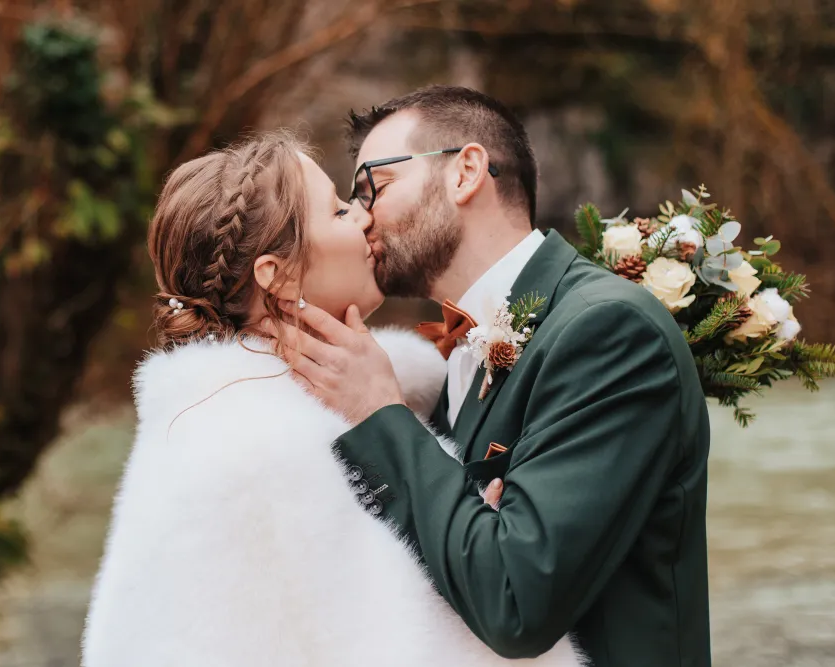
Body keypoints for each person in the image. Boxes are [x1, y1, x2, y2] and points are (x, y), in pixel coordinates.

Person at [81, 133, 585, 667]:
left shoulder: (320, 406)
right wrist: (475, 542)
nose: (365, 218)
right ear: (277, 275)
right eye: (339, 211)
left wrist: (465, 529)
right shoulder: (256, 444)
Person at [271, 86, 712, 666]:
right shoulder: (456, 353)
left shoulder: (609, 330)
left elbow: (515, 600)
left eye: (374, 186)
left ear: (466, 172)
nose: (362, 216)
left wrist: (381, 413)